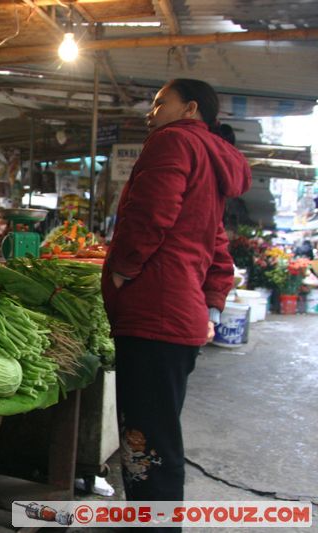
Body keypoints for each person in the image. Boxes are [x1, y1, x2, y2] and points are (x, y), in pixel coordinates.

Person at [101, 79, 251, 515]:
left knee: (146, 445)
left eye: (159, 102)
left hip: (154, 313)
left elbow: (150, 214)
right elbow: (217, 245)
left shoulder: (172, 142)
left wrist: (125, 269)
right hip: (178, 318)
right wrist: (210, 306)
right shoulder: (209, 159)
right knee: (157, 438)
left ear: (190, 109)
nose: (151, 112)